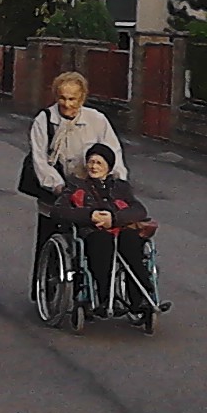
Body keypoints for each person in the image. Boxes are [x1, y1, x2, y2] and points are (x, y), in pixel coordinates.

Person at [28, 70, 125, 255]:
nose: (67, 104)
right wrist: (58, 186)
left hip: (92, 193)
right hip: (57, 194)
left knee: (95, 240)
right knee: (48, 242)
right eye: (62, 98)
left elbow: (113, 154)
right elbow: (40, 160)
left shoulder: (97, 120)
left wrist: (118, 182)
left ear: (82, 98)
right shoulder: (44, 120)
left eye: (72, 99)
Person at [54, 142, 152, 305]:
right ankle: (105, 297)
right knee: (102, 241)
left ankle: (140, 297)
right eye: (91, 162)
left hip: (119, 228)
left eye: (99, 163)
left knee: (131, 241)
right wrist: (90, 215)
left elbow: (139, 210)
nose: (94, 166)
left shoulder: (121, 187)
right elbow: (59, 211)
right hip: (92, 233)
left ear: (109, 167)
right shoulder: (76, 185)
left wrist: (114, 219)